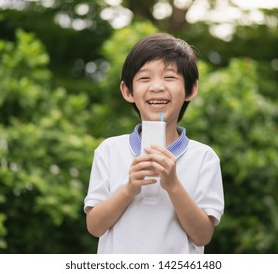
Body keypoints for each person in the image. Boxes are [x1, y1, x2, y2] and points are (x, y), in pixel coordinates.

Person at [84, 33, 224, 254]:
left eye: (170, 77)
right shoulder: (109, 151)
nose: (157, 86)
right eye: (145, 78)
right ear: (127, 91)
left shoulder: (204, 157)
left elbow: (203, 235)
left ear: (191, 89)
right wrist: (130, 188)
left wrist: (173, 185)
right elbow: (94, 226)